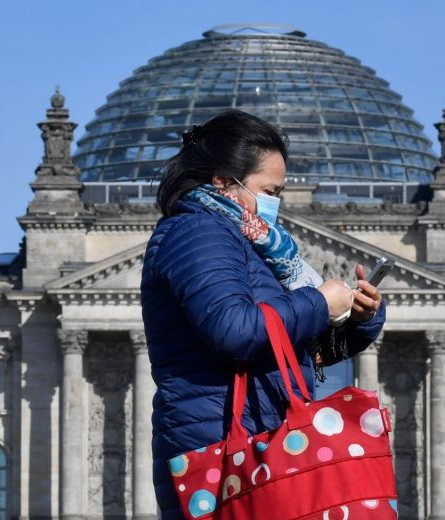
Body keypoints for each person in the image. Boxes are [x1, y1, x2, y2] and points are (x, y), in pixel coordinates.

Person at [140, 109, 386, 518]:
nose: (277, 203)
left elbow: (289, 347)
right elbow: (233, 331)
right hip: (220, 449)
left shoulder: (254, 242)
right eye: (269, 190)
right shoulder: (198, 231)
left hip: (261, 440)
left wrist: (358, 320)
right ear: (222, 182)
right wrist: (320, 303)